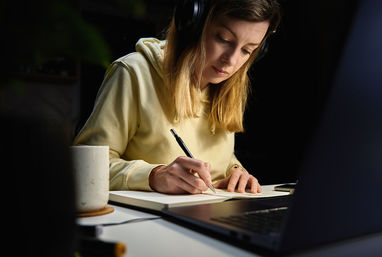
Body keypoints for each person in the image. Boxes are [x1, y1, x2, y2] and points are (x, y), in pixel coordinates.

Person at [73, 0, 280, 195]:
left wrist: (235, 171)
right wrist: (153, 176)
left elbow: (219, 159)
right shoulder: (134, 73)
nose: (231, 61)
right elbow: (84, 167)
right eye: (223, 39)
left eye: (247, 50)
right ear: (193, 25)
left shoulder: (226, 88)